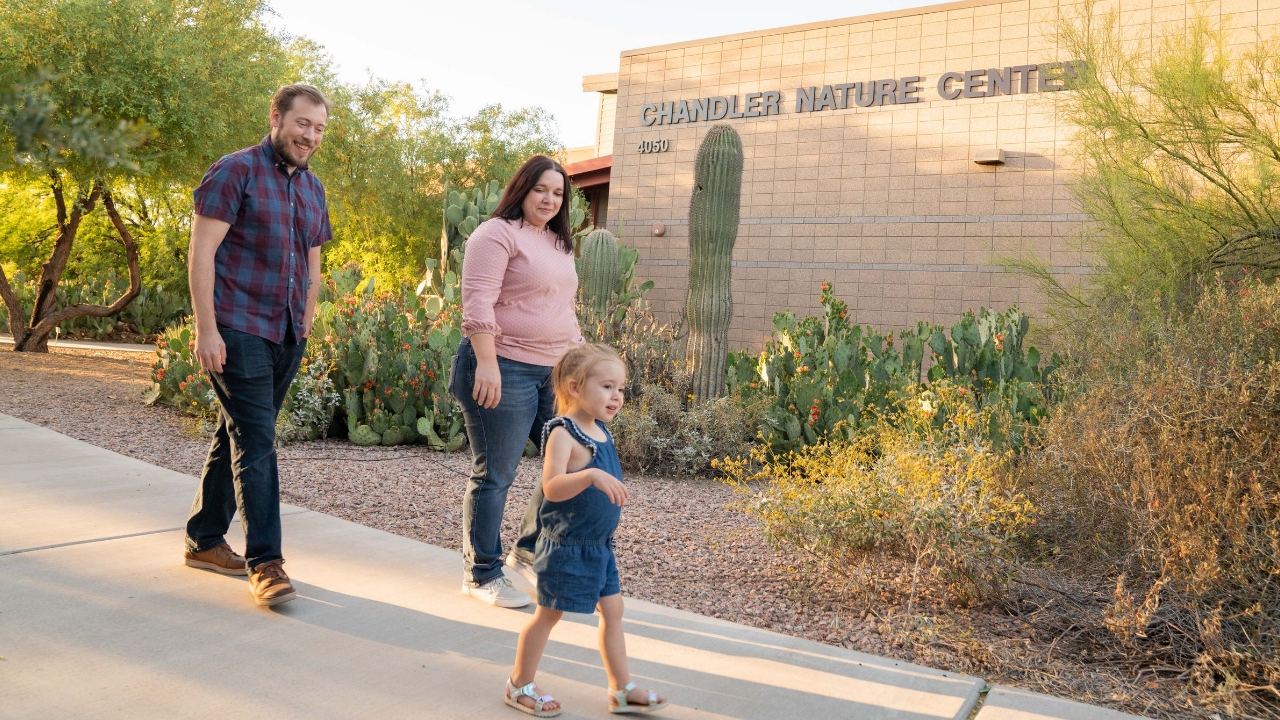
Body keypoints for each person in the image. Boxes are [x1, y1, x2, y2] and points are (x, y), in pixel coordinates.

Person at [182, 83, 333, 607]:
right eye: (302, 124)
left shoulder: (313, 187)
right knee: (258, 439)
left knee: (240, 432)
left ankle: (203, 538)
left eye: (318, 128)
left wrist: (308, 314)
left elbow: (312, 254)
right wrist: (207, 329)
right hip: (238, 325)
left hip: (287, 330)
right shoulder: (235, 171)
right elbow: (202, 253)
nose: (310, 136)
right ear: (277, 117)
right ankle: (266, 561)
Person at [503, 344, 667, 717]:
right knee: (548, 614)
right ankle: (518, 684)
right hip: (566, 546)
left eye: (621, 388)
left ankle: (621, 689)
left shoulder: (601, 431)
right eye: (607, 386)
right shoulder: (565, 433)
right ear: (575, 387)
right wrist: (590, 474)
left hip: (599, 547)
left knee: (614, 611)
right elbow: (551, 487)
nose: (617, 396)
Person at [452, 155, 584, 608]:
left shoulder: (558, 243)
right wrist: (486, 365)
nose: (549, 199)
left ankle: (526, 551)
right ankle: (481, 574)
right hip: (501, 366)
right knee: (497, 474)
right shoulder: (495, 235)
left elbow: (561, 309)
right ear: (522, 189)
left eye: (558, 193)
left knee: (571, 462)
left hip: (553, 372)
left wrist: (580, 364)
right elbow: (478, 305)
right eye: (540, 190)